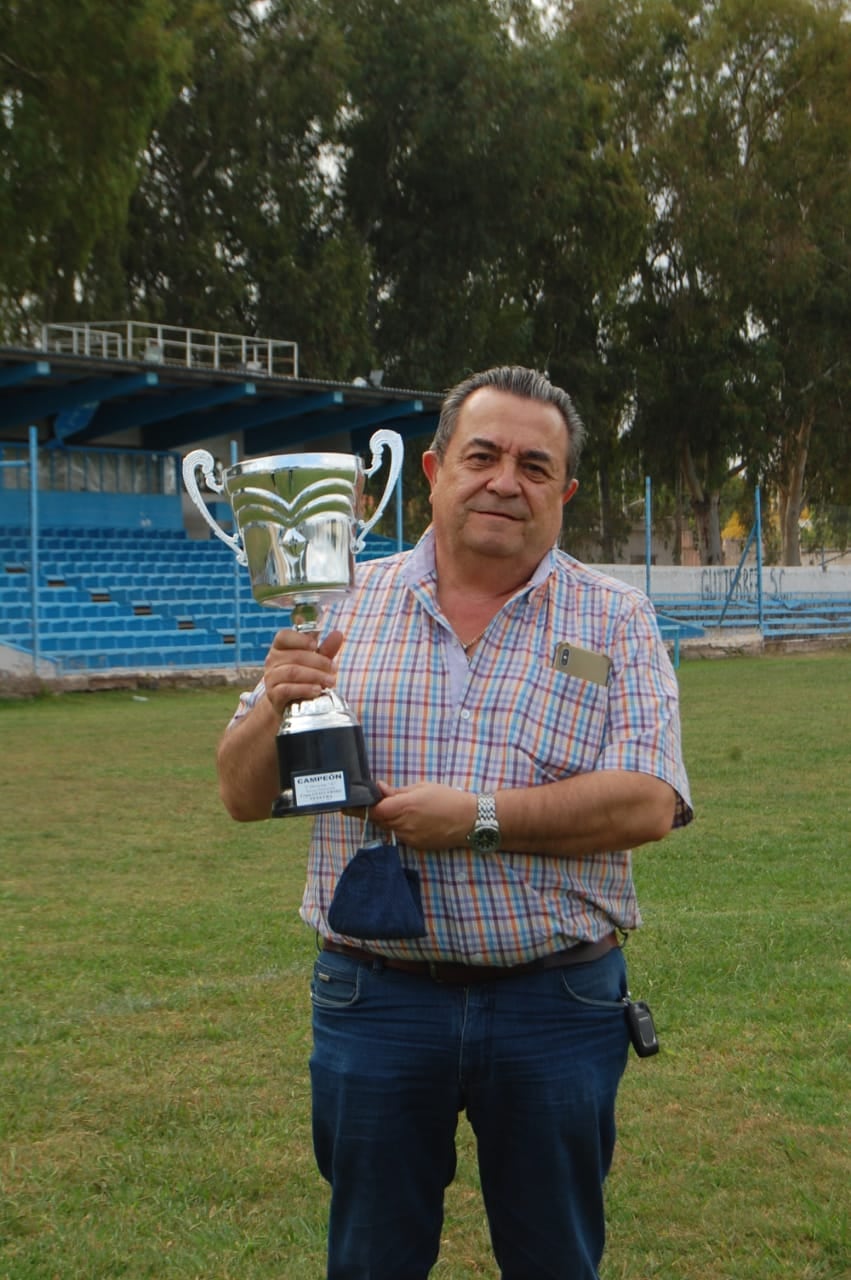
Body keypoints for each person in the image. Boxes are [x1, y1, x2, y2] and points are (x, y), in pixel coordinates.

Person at [217, 365, 693, 1280]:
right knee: (371, 1259)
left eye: (533, 464)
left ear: (565, 490)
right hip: (375, 1000)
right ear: (434, 469)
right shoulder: (340, 602)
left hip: (554, 1002)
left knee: (554, 1257)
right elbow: (241, 795)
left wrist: (477, 818)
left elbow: (647, 800)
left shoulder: (617, 620)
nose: (504, 481)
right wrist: (274, 703)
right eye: (481, 456)